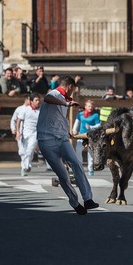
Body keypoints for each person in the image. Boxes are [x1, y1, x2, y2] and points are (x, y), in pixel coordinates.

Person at [37, 75, 98, 215]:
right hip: (46, 142)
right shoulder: (54, 94)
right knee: (63, 176)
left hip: (61, 139)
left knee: (76, 163)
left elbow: (58, 118)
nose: (73, 93)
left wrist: (67, 130)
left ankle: (88, 199)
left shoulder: (65, 100)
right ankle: (75, 203)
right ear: (70, 86)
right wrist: (66, 104)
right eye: (74, 89)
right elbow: (47, 99)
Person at [72, 100, 100, 176]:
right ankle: (80, 167)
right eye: (89, 106)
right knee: (78, 149)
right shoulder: (80, 115)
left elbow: (99, 125)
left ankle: (90, 169)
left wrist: (91, 127)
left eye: (91, 106)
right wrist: (74, 130)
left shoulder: (95, 115)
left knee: (90, 152)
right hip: (82, 135)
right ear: (85, 107)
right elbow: (77, 123)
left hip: (91, 136)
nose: (90, 108)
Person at [16, 93, 41, 176]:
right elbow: (18, 121)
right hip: (25, 134)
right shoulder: (25, 110)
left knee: (30, 149)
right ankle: (25, 167)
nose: (38, 102)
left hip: (35, 133)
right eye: (36, 100)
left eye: (38, 100)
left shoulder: (41, 111)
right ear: (31, 101)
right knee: (23, 152)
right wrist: (18, 132)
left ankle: (26, 166)